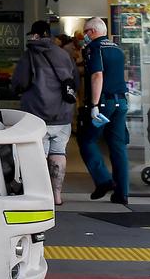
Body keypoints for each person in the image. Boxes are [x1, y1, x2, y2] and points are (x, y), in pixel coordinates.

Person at [11, 21, 76, 205]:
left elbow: (20, 83)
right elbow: (74, 83)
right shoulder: (65, 55)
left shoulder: (30, 55)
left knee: (39, 155)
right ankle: (57, 195)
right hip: (62, 115)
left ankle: (39, 195)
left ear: (38, 35)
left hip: (37, 114)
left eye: (33, 34)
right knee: (58, 153)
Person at [77, 17, 130, 204]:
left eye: (85, 32)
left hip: (104, 101)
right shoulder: (116, 48)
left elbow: (98, 75)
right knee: (118, 146)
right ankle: (122, 193)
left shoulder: (94, 48)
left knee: (87, 140)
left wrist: (94, 105)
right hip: (121, 101)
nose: (83, 36)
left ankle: (104, 180)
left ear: (92, 31)